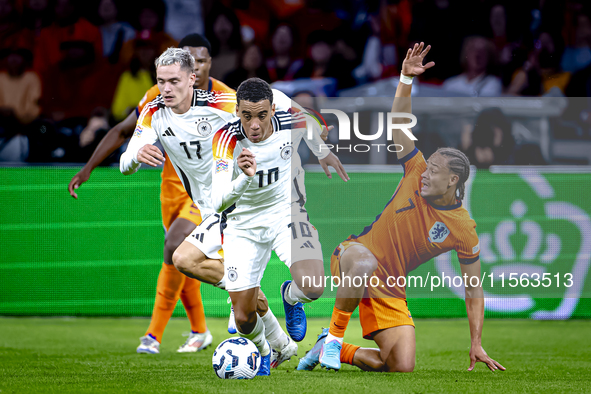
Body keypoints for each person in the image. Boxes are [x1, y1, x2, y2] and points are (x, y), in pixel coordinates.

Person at [298, 43, 505, 373]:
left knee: (400, 365)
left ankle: (330, 347)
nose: (427, 173)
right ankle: (335, 338)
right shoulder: (416, 170)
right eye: (429, 165)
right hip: (354, 254)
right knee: (365, 261)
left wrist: (476, 341)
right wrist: (405, 79)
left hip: (390, 286)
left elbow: (473, 288)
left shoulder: (463, 228)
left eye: (435, 170)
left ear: (453, 181)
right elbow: (398, 127)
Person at [119, 48, 300, 369]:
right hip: (213, 211)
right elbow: (125, 163)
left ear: (192, 79)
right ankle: (279, 343)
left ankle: (271, 340)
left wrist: (309, 121)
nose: (166, 89)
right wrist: (136, 155)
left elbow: (275, 103)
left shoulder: (221, 103)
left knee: (192, 264)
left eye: (174, 81)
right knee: (188, 262)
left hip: (242, 205)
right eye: (161, 81)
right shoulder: (153, 110)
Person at [68, 35, 223, 354]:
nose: (196, 65)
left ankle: (153, 335)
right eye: (189, 60)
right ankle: (200, 331)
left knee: (174, 246)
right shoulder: (158, 98)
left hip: (207, 197)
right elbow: (125, 132)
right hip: (171, 191)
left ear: (204, 68)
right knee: (180, 261)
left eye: (202, 60)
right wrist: (88, 169)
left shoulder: (224, 98)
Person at [208, 77, 349, 375]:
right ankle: (264, 351)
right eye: (246, 116)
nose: (254, 125)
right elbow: (218, 201)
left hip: (287, 213)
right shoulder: (225, 138)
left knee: (313, 287)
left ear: (273, 109)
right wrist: (244, 177)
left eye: (261, 115)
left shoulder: (290, 119)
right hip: (241, 225)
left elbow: (311, 121)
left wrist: (322, 151)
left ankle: (290, 296)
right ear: (237, 112)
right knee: (244, 318)